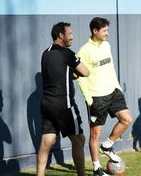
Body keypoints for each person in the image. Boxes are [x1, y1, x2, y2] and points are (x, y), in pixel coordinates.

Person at [77, 17, 133, 176]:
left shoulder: (107, 45)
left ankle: (107, 145)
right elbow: (79, 77)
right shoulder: (83, 51)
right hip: (96, 97)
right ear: (95, 31)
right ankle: (96, 169)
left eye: (107, 30)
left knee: (127, 119)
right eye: (104, 31)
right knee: (95, 135)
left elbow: (111, 68)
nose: (107, 34)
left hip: (113, 92)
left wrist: (117, 86)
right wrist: (88, 98)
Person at [37, 22, 89, 176]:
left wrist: (71, 74)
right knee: (79, 140)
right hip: (64, 106)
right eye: (70, 34)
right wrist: (75, 72)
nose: (72, 37)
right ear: (61, 36)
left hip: (47, 105)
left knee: (46, 143)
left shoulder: (45, 53)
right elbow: (85, 72)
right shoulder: (67, 53)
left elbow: (59, 75)